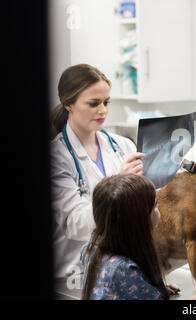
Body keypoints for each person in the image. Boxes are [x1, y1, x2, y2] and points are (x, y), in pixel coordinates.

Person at [50, 64, 146, 279]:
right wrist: (118, 185)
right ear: (68, 104)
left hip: (117, 269)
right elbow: (76, 225)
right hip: (75, 274)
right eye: (94, 103)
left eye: (106, 102)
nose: (103, 110)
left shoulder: (123, 147)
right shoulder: (56, 158)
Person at [81, 174, 196, 300]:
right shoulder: (124, 270)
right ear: (141, 218)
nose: (160, 210)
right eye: (156, 205)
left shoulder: (90, 249)